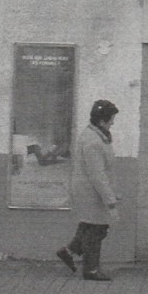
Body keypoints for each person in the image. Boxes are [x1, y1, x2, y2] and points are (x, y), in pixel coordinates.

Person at [56, 99, 120, 281]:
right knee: (96, 229)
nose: (113, 122)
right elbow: (97, 175)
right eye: (111, 119)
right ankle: (91, 269)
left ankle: (68, 251)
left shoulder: (96, 136)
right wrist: (110, 201)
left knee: (89, 225)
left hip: (90, 190)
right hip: (91, 192)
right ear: (101, 121)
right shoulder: (93, 142)